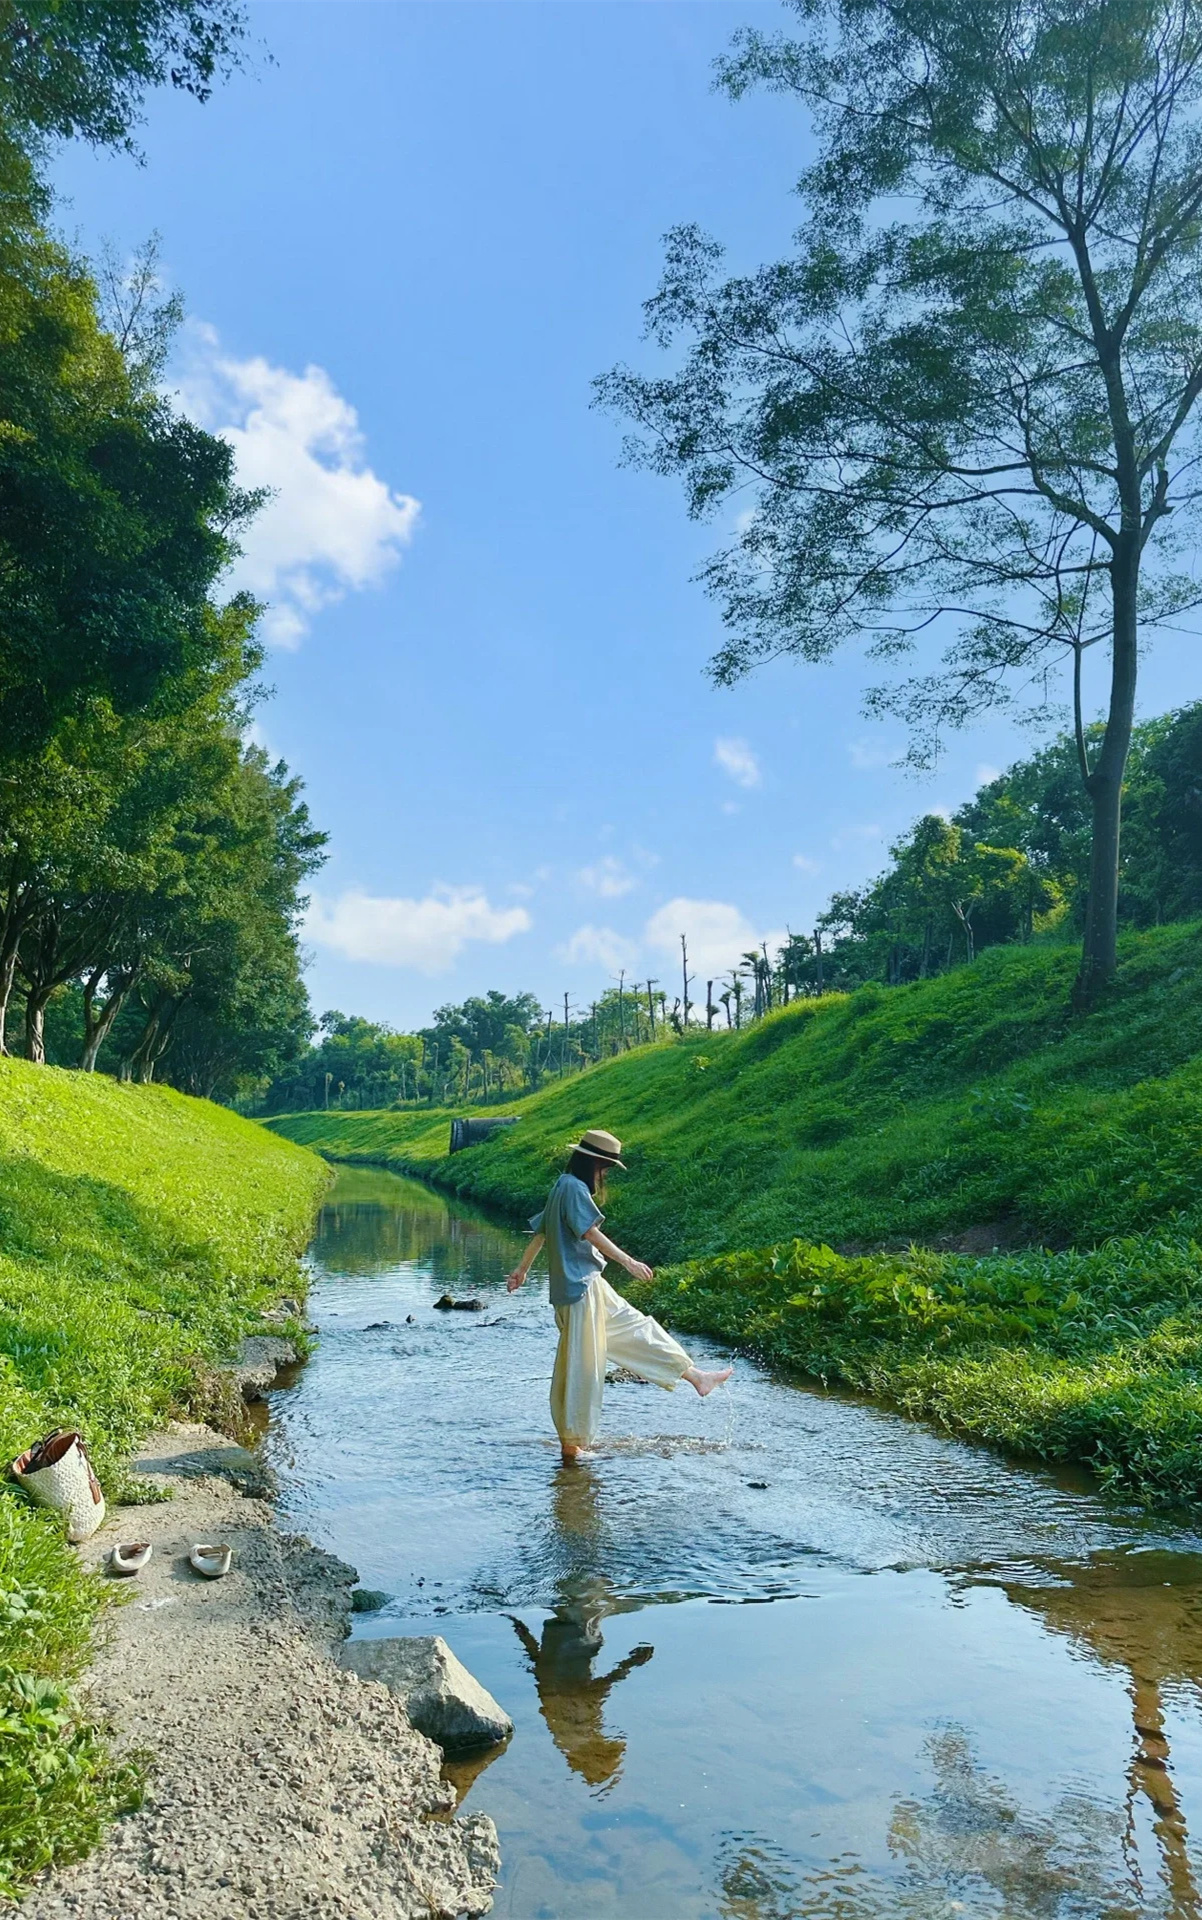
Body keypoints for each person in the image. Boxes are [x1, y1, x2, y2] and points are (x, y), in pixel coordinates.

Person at [506, 1127, 733, 1462]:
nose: (605, 1174)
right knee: (582, 1366)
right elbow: (589, 1232)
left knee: (636, 1328)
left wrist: (521, 1270)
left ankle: (696, 1376)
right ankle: (572, 1445)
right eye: (605, 1168)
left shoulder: (562, 1185)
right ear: (594, 1163)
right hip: (579, 1290)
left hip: (588, 1285)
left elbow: (541, 1232)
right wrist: (628, 1261)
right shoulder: (572, 1187)